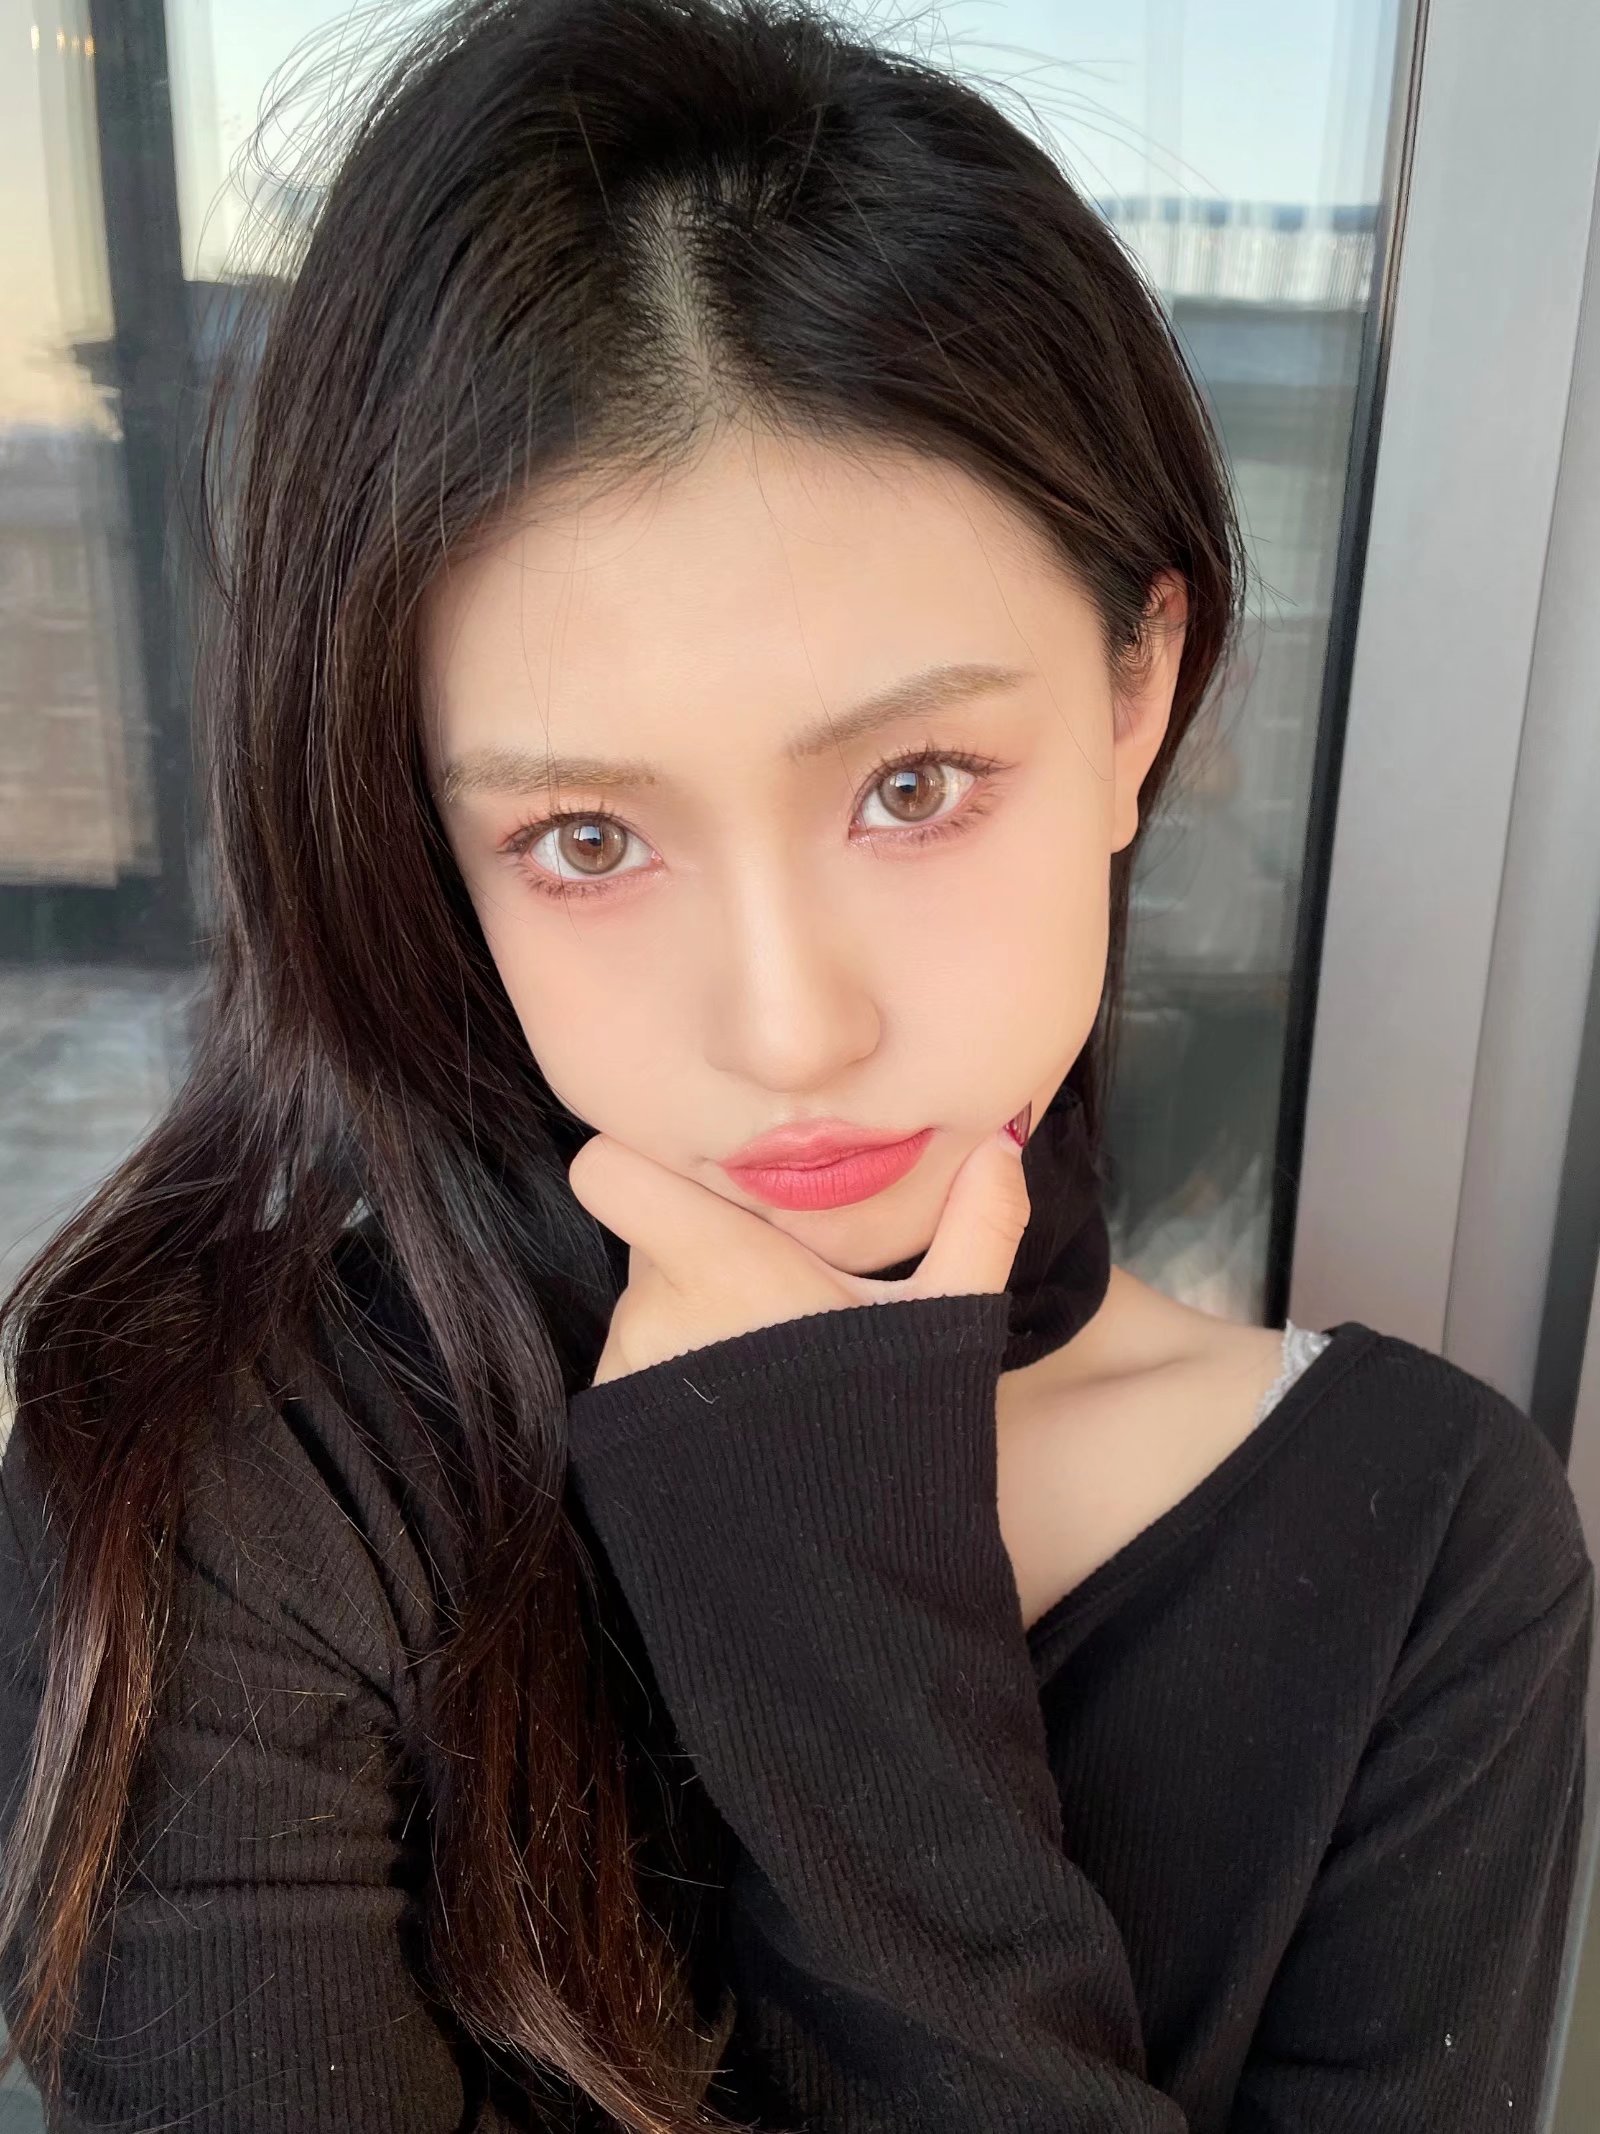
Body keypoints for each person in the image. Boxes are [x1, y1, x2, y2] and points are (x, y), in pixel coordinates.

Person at [0, 0, 1591, 2127]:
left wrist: (835, 1629)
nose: (786, 1025)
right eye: (588, 837)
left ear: (1140, 688)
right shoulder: (240, 1501)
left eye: (912, 783)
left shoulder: (1423, 1550)